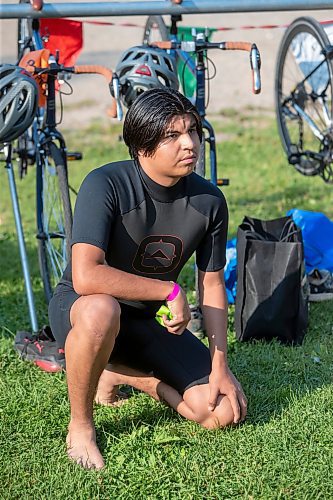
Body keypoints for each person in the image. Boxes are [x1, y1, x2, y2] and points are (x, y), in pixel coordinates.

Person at [48, 87, 247, 470]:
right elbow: (86, 276)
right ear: (142, 146)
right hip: (80, 311)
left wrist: (220, 365)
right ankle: (81, 425)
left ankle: (121, 374)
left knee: (222, 412)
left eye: (192, 130)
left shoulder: (209, 202)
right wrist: (168, 289)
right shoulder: (104, 184)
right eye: (172, 136)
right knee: (102, 310)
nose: (189, 143)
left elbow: (212, 284)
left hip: (141, 323)